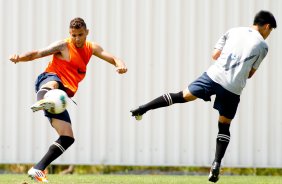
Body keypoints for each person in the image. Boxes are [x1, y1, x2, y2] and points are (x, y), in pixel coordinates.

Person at [130, 10, 276, 183]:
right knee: (224, 126)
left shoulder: (233, 31)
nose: (268, 35)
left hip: (213, 77)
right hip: (233, 87)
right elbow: (250, 73)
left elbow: (215, 55)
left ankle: (143, 109)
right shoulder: (263, 46)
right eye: (270, 32)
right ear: (266, 26)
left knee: (182, 95)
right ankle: (216, 164)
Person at [10, 17, 127, 182]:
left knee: (67, 137)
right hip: (49, 80)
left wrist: (120, 65)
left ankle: (37, 169)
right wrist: (19, 57)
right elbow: (37, 53)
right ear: (69, 34)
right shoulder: (63, 45)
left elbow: (114, 58)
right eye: (74, 35)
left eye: (80, 34)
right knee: (54, 84)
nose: (77, 39)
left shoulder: (91, 48)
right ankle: (43, 98)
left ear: (87, 32)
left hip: (61, 97)